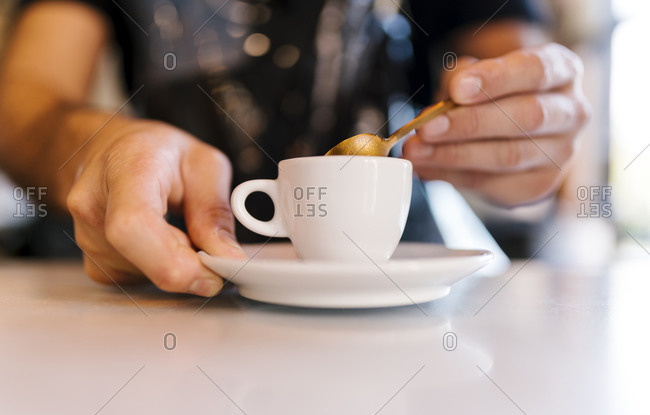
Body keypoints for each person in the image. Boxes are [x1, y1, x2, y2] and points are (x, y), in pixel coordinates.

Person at [0, 0, 590, 297]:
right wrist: (102, 146)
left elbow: (509, 64)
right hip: (175, 286)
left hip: (405, 301)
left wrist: (527, 129)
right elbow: (23, 100)